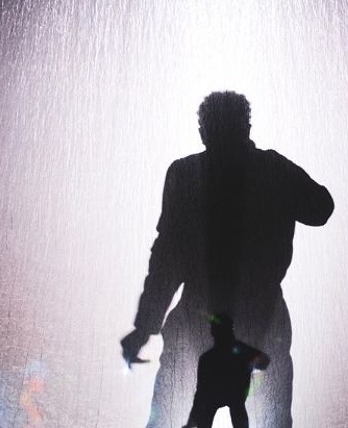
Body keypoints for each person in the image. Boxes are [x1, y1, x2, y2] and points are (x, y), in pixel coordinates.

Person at [121, 91, 334, 427]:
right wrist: (279, 176)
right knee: (269, 417)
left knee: (173, 414)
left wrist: (144, 327)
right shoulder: (271, 170)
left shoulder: (185, 174)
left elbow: (165, 260)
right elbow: (321, 208)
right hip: (262, 318)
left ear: (203, 131)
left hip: (196, 318)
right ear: (246, 127)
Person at [182, 313, 270, 428]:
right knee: (236, 407)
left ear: (213, 332)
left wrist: (191, 422)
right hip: (233, 397)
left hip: (219, 398)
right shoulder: (240, 352)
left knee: (212, 409)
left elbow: (200, 394)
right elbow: (264, 362)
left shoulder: (207, 358)